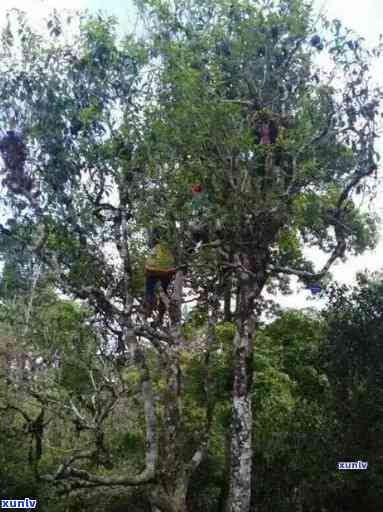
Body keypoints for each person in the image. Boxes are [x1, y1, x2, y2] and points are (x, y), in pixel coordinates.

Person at [144, 228, 176, 321]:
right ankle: (153, 312)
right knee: (157, 292)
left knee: (159, 292)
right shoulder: (161, 249)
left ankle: (157, 314)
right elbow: (149, 267)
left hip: (160, 272)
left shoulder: (161, 249)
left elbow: (149, 268)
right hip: (161, 272)